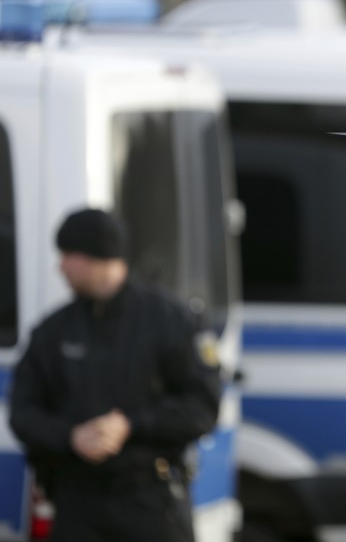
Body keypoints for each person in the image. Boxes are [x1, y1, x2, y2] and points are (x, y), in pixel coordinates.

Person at [8, 207, 222, 542]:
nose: (60, 266)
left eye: (68, 255)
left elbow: (203, 409)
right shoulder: (54, 331)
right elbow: (22, 413)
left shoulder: (169, 320)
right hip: (78, 503)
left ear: (99, 255)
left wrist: (130, 424)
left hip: (150, 500)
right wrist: (71, 437)